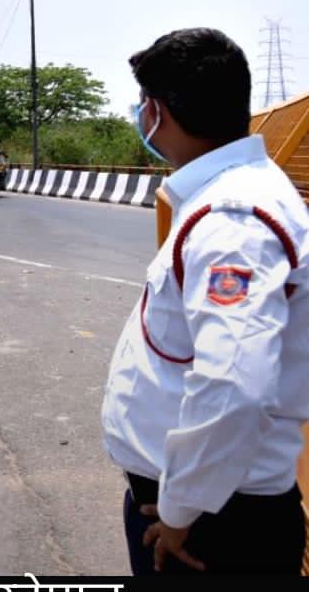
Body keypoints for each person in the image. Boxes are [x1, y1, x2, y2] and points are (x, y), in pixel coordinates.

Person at [101, 28, 309, 575]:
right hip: (213, 508)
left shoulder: (232, 221)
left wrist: (180, 510)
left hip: (212, 526)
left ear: (157, 112)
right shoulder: (234, 196)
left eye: (142, 103)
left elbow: (235, 386)